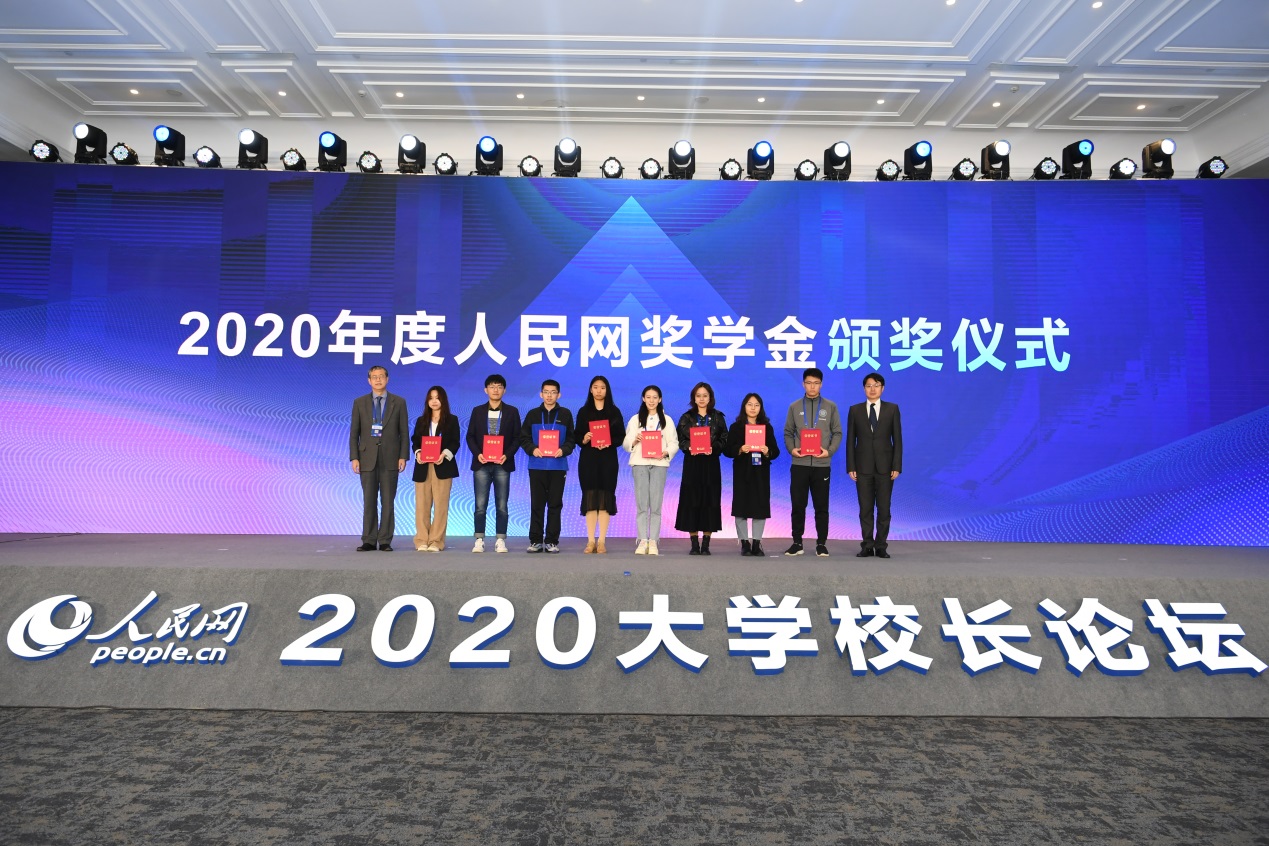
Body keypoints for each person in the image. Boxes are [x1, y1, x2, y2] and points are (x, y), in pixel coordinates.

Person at [782, 367, 842, 558]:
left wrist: (829, 451)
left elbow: (837, 433)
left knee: (821, 507)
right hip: (799, 464)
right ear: (803, 384)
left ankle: (821, 543)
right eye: (809, 383)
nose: (812, 386)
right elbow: (788, 432)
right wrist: (792, 449)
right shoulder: (795, 407)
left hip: (821, 465)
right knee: (798, 505)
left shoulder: (830, 407)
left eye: (816, 383)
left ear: (821, 384)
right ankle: (797, 542)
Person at [349, 365, 410, 552]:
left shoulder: (399, 402)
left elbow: (404, 432)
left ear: (387, 379)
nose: (378, 380)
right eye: (374, 377)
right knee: (369, 501)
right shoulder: (359, 402)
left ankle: (385, 540)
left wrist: (403, 456)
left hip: (391, 457)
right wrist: (354, 457)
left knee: (388, 501)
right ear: (369, 381)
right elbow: (354, 433)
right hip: (367, 458)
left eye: (381, 376)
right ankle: (368, 539)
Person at [846, 372, 903, 559]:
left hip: (886, 468)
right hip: (862, 467)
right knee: (865, 509)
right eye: (869, 386)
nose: (872, 389)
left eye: (876, 385)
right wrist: (851, 466)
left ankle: (881, 546)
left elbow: (897, 439)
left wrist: (896, 465)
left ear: (882, 388)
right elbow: (850, 441)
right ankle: (867, 545)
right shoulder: (855, 410)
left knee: (884, 509)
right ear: (864, 388)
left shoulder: (892, 409)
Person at [465, 374, 521, 553]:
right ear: (485, 390)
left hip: (502, 464)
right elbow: (470, 436)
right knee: (480, 505)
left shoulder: (512, 411)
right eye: (492, 386)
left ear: (504, 390)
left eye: (499, 387)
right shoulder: (477, 411)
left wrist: (506, 455)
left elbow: (517, 437)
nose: (495, 390)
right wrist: (478, 454)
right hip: (482, 464)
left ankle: (500, 540)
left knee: (502, 505)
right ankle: (479, 539)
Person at [518, 379, 576, 554]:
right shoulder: (533, 414)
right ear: (541, 394)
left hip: (558, 466)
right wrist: (532, 449)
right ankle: (536, 540)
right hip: (537, 465)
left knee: (555, 504)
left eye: (553, 392)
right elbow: (523, 437)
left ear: (559, 395)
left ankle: (551, 541)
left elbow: (571, 439)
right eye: (546, 392)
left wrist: (563, 450)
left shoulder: (565, 414)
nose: (549, 395)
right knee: (537, 504)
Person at [622, 385, 679, 556]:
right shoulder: (635, 420)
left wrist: (666, 452)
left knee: (656, 505)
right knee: (641, 505)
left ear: (660, 399)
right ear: (643, 399)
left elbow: (674, 443)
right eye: (648, 397)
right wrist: (634, 440)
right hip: (640, 463)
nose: (651, 400)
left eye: (655, 397)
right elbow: (626, 443)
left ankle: (653, 540)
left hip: (659, 464)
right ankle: (642, 540)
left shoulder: (667, 420)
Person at [724, 392, 781, 557]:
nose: (753, 408)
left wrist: (767, 451)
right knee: (741, 506)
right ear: (744, 406)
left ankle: (756, 543)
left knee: (760, 506)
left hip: (761, 472)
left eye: (756, 405)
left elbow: (776, 451)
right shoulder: (736, 427)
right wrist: (740, 449)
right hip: (742, 471)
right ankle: (744, 543)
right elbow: (727, 450)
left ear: (761, 408)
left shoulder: (767, 427)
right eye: (750, 404)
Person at [675, 382, 727, 555]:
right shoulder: (686, 417)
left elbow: (724, 439)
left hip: (711, 463)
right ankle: (694, 544)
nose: (702, 399)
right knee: (692, 500)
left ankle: (705, 544)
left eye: (705, 395)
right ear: (694, 398)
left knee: (710, 500)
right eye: (698, 396)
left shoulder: (718, 417)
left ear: (710, 397)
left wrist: (715, 447)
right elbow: (679, 439)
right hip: (692, 464)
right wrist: (689, 447)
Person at [575, 375, 625, 554]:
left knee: (605, 498)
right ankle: (590, 541)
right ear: (590, 390)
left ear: (607, 390)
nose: (599, 390)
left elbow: (621, 436)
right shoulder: (583, 411)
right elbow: (576, 436)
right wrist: (584, 438)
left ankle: (602, 541)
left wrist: (609, 441)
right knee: (590, 498)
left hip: (608, 459)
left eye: (602, 387)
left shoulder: (614, 411)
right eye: (595, 387)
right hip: (588, 459)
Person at [410, 386, 461, 553]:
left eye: (437, 398)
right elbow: (415, 441)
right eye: (431, 398)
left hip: (443, 466)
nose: (434, 401)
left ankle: (436, 541)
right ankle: (421, 540)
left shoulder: (452, 420)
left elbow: (455, 442)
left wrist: (444, 454)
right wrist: (418, 452)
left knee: (441, 506)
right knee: (422, 506)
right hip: (423, 466)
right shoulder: (421, 420)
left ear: (443, 400)